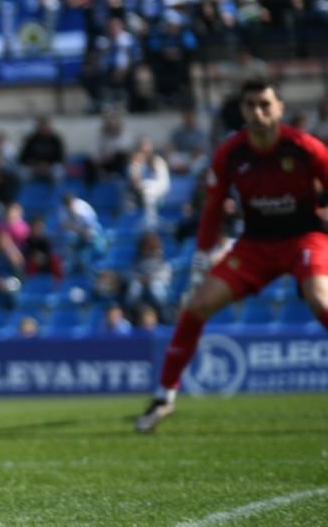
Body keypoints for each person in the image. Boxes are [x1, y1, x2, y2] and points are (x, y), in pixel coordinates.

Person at [136, 80, 328, 432]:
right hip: (254, 245)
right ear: (242, 110)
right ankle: (164, 397)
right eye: (250, 105)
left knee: (321, 300)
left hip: (303, 238)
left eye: (265, 104)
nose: (258, 112)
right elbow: (212, 209)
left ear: (280, 108)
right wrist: (201, 257)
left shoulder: (305, 147)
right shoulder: (230, 154)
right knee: (196, 306)